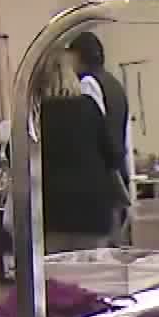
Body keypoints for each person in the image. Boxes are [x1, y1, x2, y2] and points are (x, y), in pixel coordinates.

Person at [30, 53, 125, 253]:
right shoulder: (89, 107)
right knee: (92, 276)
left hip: (52, 212)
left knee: (57, 279)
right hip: (93, 210)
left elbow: (14, 157)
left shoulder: (34, 115)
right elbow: (114, 155)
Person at [67, 31, 132, 239]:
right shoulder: (115, 85)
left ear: (78, 56)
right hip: (119, 171)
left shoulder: (88, 84)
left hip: (103, 177)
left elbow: (93, 131)